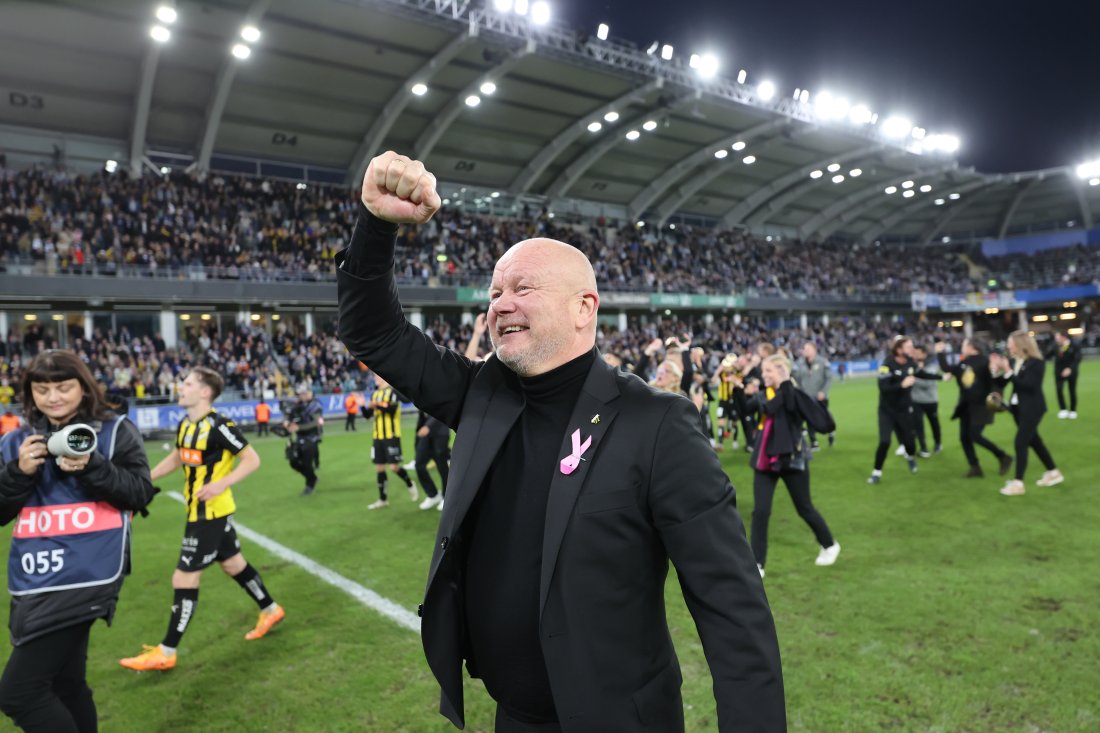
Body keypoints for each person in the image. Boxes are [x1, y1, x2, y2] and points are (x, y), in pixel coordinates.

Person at [336, 151, 784, 732]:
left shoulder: (657, 424)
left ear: (583, 308)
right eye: (494, 292)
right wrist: (376, 224)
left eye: (522, 287)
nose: (500, 304)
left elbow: (733, 611)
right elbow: (372, 331)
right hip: (514, 718)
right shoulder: (480, 394)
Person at [0, 350, 156, 732]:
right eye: (42, 389)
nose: (53, 397)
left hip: (88, 574)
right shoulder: (16, 440)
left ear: (84, 388)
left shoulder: (115, 430)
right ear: (29, 392)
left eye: (63, 387)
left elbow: (139, 493)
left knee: (18, 693)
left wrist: (93, 467)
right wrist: (19, 474)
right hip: (35, 576)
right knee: (65, 684)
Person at [119, 367, 284, 671]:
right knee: (233, 564)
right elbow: (179, 457)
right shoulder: (186, 424)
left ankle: (166, 652)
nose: (180, 387)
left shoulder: (221, 426)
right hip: (200, 511)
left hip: (211, 513)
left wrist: (223, 482)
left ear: (205, 392)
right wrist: (145, 478)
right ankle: (270, 609)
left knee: (183, 577)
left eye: (188, 383)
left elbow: (252, 459)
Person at [745, 354, 839, 578]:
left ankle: (829, 544)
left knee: (804, 507)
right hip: (765, 461)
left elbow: (821, 421)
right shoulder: (764, 395)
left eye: (769, 371)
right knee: (761, 511)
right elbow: (753, 407)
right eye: (764, 371)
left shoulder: (795, 395)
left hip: (792, 459)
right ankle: (757, 564)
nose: (764, 375)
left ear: (783, 372)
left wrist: (787, 384)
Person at [989, 332, 1064, 496]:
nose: (1008, 347)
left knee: (1020, 442)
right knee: (1035, 441)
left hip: (1033, 408)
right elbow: (1002, 382)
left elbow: (1029, 386)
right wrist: (996, 370)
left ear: (1020, 344)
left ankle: (1018, 483)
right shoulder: (1014, 361)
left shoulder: (1036, 363)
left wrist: (1008, 371)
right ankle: (1053, 472)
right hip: (1018, 409)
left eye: (1010, 343)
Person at [935, 338, 1012, 479]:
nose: (962, 347)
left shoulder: (986, 361)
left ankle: (1003, 456)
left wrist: (1003, 371)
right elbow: (947, 369)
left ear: (972, 347)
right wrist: (940, 353)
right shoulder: (964, 363)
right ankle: (975, 467)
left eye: (964, 344)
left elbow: (997, 382)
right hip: (966, 406)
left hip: (982, 406)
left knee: (974, 435)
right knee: (964, 438)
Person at [867, 337, 922, 484]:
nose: (912, 349)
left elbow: (920, 374)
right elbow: (883, 387)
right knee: (885, 442)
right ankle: (876, 473)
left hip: (904, 410)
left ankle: (910, 457)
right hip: (887, 411)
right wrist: (901, 385)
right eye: (909, 347)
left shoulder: (911, 363)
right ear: (899, 350)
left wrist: (941, 377)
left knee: (910, 443)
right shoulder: (887, 364)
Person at [365, 374, 418, 510]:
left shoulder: (393, 392)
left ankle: (409, 482)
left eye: (378, 377)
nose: (377, 379)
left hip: (391, 436)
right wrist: (364, 406)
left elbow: (391, 409)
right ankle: (383, 500)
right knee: (379, 468)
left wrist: (375, 405)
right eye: (375, 378)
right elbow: (367, 416)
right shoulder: (374, 394)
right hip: (377, 436)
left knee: (394, 467)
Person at [283, 384, 323, 496]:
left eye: (304, 393)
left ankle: (310, 484)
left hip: (312, 437)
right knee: (293, 461)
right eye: (300, 394)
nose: (302, 396)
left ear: (310, 393)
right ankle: (312, 477)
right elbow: (289, 413)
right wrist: (286, 421)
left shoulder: (316, 405)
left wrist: (298, 427)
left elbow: (316, 423)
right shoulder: (298, 404)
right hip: (299, 437)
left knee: (307, 463)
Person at [794, 342, 835, 450]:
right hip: (806, 397)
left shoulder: (822, 362)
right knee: (809, 418)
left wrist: (823, 392)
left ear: (814, 350)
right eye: (804, 349)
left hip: (820, 397)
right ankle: (814, 442)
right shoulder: (799, 363)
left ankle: (831, 432)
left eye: (808, 349)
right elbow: (796, 378)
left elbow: (829, 378)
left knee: (824, 418)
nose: (805, 351)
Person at [908, 344, 942, 457]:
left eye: (918, 353)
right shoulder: (912, 366)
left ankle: (938, 443)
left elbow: (926, 383)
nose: (915, 355)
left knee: (934, 423)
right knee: (918, 425)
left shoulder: (931, 366)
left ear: (924, 353)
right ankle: (923, 448)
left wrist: (912, 379)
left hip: (930, 400)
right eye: (914, 353)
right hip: (916, 400)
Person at [414, 409, 450, 511]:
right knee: (419, 465)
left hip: (440, 431)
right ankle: (433, 495)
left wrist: (428, 426)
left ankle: (446, 497)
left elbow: (441, 410)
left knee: (442, 466)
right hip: (426, 434)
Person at [1051, 330, 1081, 419]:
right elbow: (1046, 355)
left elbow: (1077, 358)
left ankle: (1073, 410)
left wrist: (1070, 368)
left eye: (1057, 337)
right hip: (1058, 372)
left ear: (1063, 337)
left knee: (1072, 390)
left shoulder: (1074, 345)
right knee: (1059, 390)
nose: (1056, 339)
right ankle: (1063, 409)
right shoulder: (1055, 346)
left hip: (1071, 372)